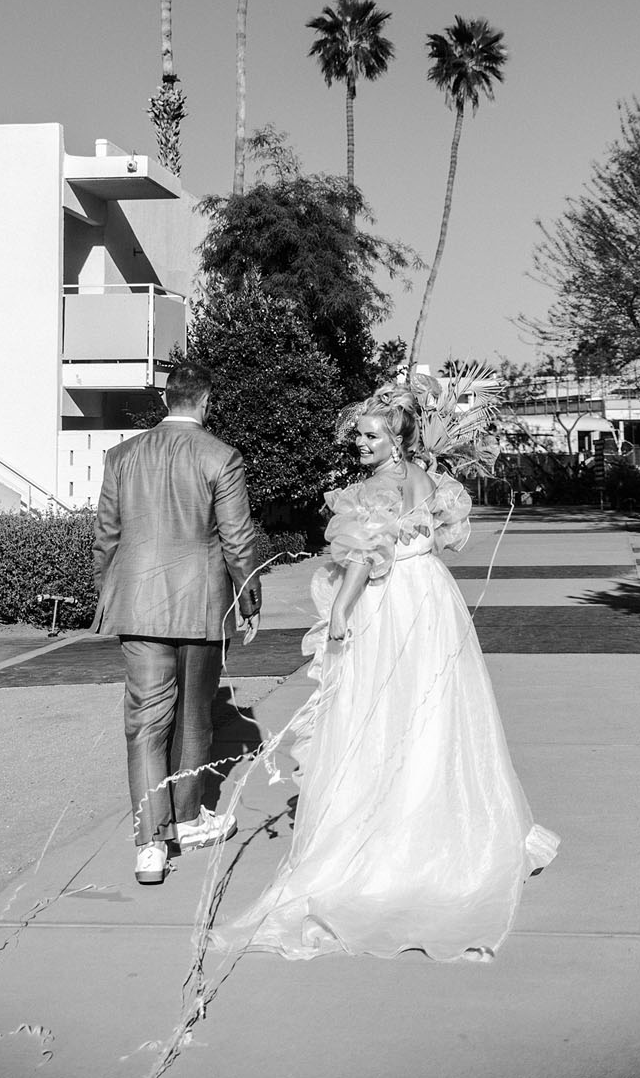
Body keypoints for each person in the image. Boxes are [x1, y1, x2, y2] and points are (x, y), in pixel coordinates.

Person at [209, 383, 558, 959]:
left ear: (396, 438)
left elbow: (365, 558)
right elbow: (442, 539)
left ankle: (386, 839)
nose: (360, 444)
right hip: (432, 598)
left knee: (378, 712)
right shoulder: (427, 479)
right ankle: (444, 829)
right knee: (432, 711)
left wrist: (342, 610)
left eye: (371, 435)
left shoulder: (376, 488)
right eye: (359, 434)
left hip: (391, 602)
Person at [92, 363, 261, 886]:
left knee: (144, 723)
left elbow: (105, 535)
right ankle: (187, 820)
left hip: (138, 604)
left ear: (168, 400)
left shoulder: (121, 456)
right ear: (205, 401)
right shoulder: (221, 456)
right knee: (192, 716)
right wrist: (249, 595)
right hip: (198, 604)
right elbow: (237, 538)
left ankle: (150, 845)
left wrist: (110, 591)